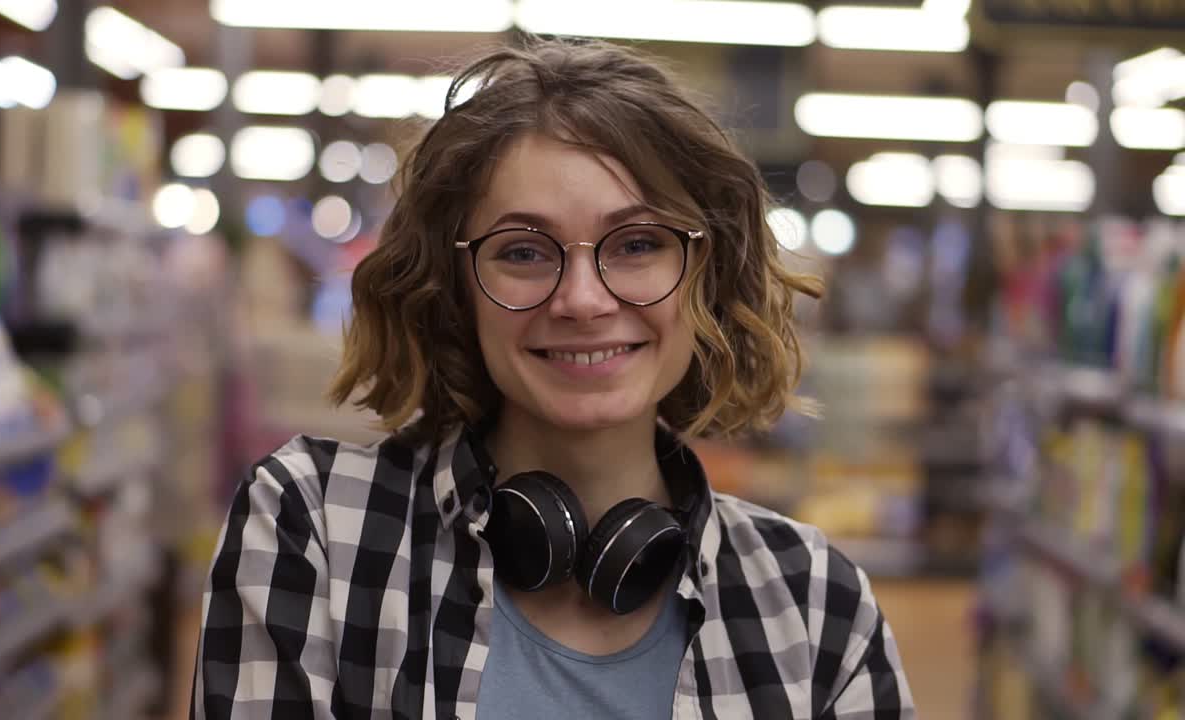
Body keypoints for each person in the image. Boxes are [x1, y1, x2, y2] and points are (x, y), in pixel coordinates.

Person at [192, 37, 915, 720]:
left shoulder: (817, 606)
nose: (582, 300)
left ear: (708, 275)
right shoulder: (316, 529)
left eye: (638, 244)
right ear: (454, 289)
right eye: (523, 252)